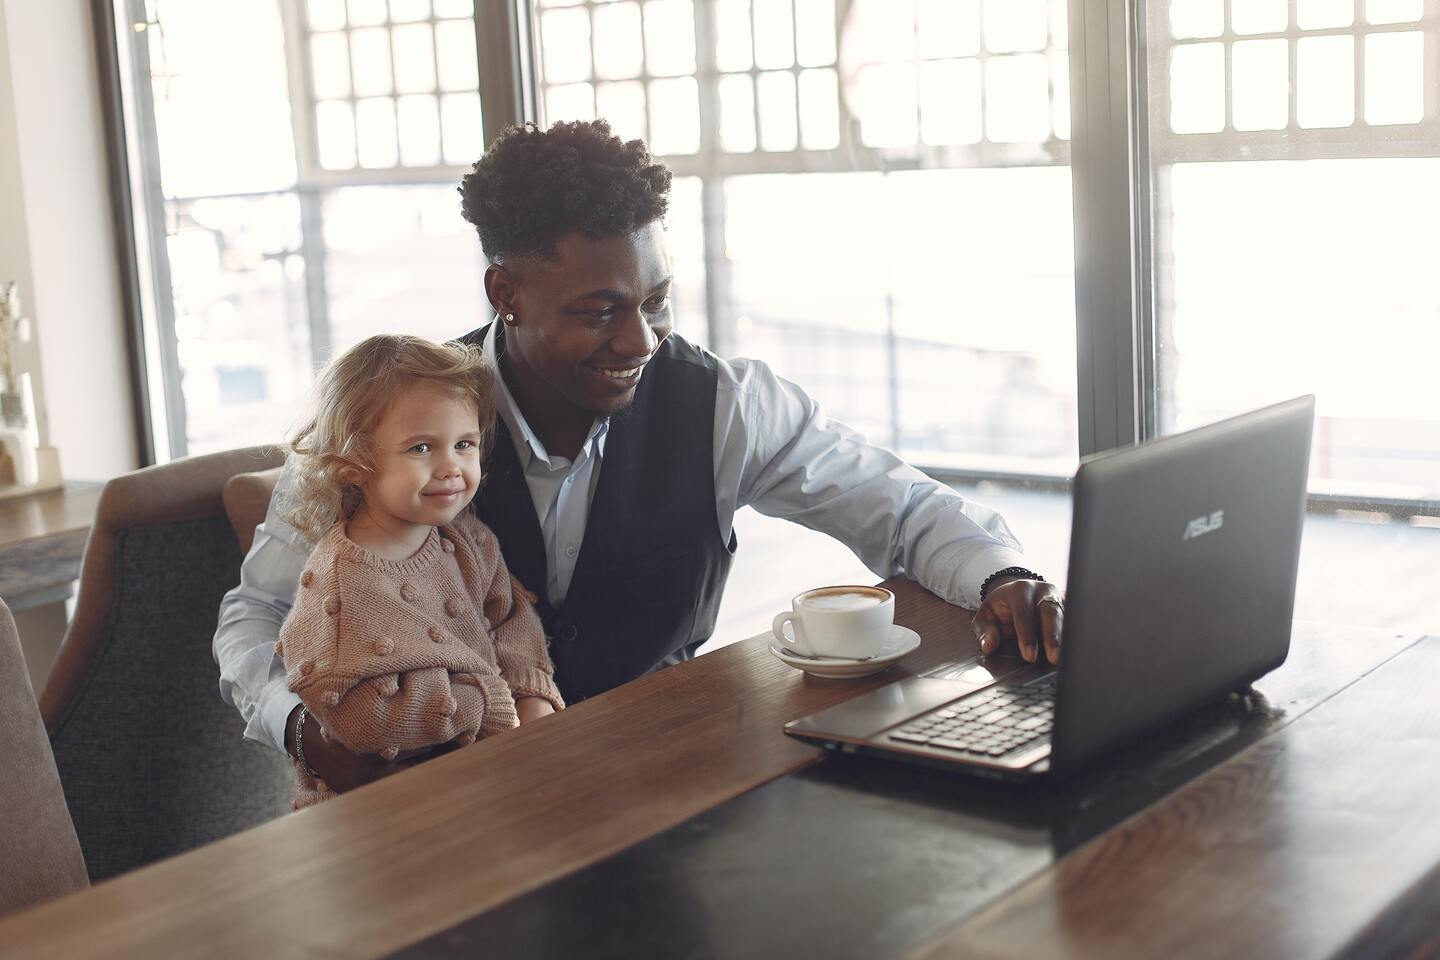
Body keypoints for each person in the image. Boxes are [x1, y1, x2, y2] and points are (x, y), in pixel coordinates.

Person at [214, 118, 1064, 796]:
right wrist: (300, 727)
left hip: (661, 781)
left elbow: (905, 508)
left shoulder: (727, 403)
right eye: (598, 310)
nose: (641, 339)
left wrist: (1000, 578)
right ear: (505, 294)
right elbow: (256, 616)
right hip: (450, 806)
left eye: (657, 300)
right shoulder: (383, 421)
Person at [270, 334, 562, 806]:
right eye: (422, 448)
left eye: (464, 444)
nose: (451, 467)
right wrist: (487, 700)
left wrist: (532, 695)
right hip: (373, 812)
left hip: (482, 780)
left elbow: (510, 619)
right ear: (354, 464)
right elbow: (364, 718)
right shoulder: (340, 584)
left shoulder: (469, 539)